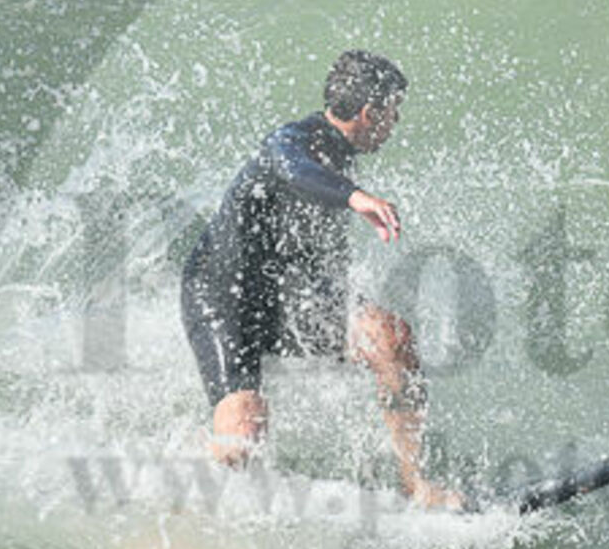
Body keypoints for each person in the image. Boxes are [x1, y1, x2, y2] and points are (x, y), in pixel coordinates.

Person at [180, 50, 462, 509]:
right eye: (393, 112)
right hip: (222, 296)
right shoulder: (291, 141)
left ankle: (416, 486)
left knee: (389, 337)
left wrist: (358, 324)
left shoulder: (341, 156)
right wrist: (354, 197)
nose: (395, 123)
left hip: (286, 297)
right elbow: (292, 169)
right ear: (369, 112)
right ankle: (182, 477)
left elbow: (319, 265)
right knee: (244, 437)